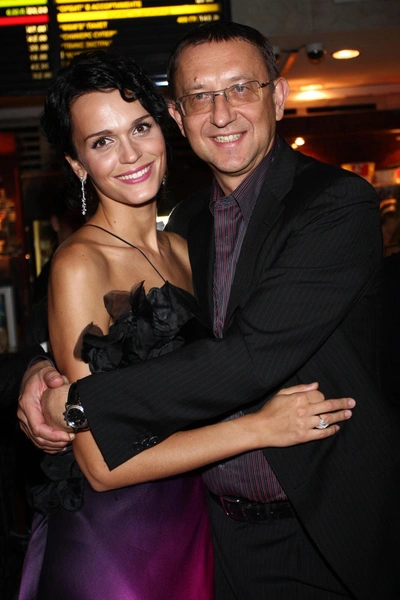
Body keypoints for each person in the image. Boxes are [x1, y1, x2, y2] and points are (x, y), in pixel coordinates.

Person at [18, 22, 400, 599]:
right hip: (184, 537)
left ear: (277, 97)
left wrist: (80, 403)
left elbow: (249, 356)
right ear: (180, 115)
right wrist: (35, 368)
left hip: (320, 533)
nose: (222, 114)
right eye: (200, 96)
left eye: (241, 88)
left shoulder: (332, 204)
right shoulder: (183, 225)